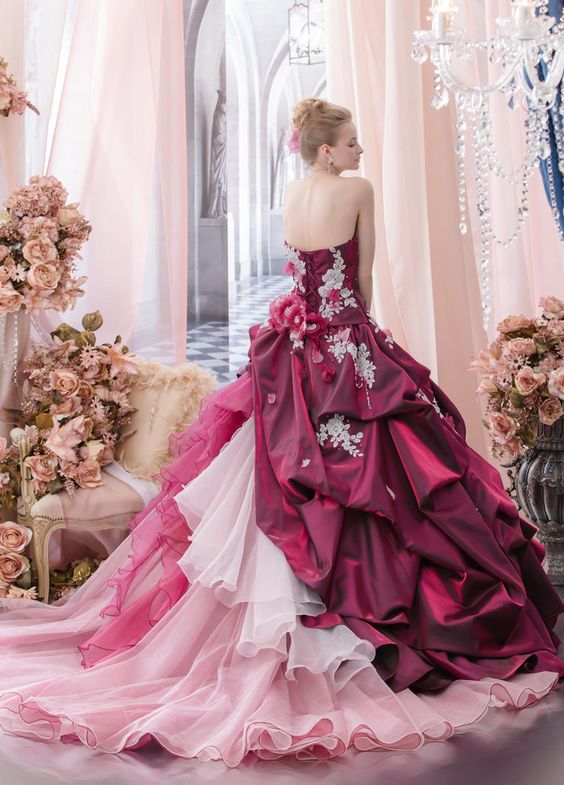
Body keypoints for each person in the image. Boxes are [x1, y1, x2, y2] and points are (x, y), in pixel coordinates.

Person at [0, 97, 562, 766]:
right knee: (390, 480)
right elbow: (361, 279)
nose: (359, 151)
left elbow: (303, 271)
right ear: (326, 151)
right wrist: (368, 347)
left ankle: (302, 620)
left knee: (289, 482)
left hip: (293, 350)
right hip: (344, 345)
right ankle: (374, 632)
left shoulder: (294, 191)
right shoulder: (358, 188)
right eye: (351, 141)